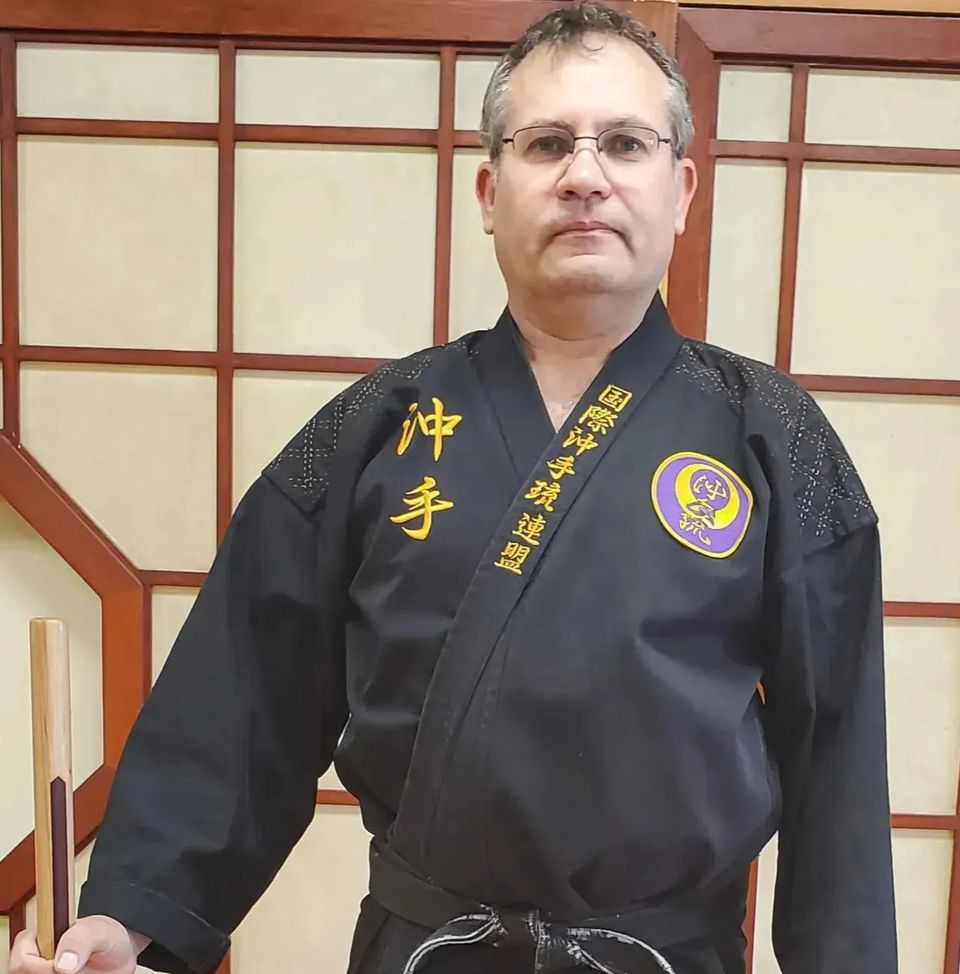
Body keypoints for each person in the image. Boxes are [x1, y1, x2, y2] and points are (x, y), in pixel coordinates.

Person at [12, 3, 898, 973]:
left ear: (681, 188)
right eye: (548, 143)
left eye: (626, 144)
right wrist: (135, 913)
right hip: (427, 952)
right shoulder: (373, 430)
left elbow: (836, 758)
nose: (585, 174)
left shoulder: (768, 436)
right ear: (488, 189)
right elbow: (241, 707)